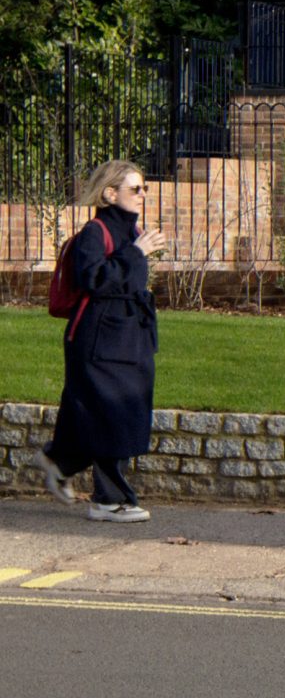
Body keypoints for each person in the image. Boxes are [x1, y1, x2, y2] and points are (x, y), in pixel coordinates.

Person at [35, 161, 162, 523]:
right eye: (135, 189)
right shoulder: (95, 232)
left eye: (144, 189)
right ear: (110, 193)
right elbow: (94, 279)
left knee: (123, 412)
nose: (142, 195)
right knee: (111, 415)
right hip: (98, 342)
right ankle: (110, 500)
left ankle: (59, 460)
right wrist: (136, 254)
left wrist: (137, 251)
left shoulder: (131, 231)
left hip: (129, 339)